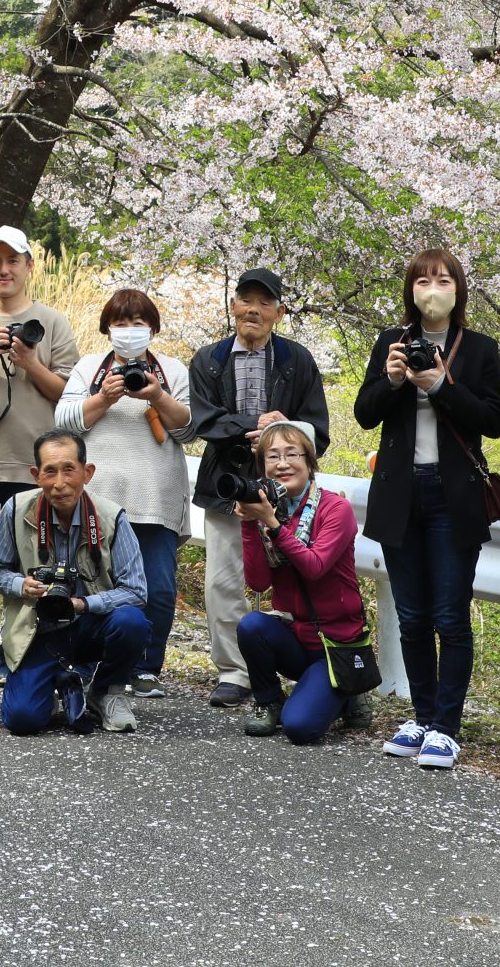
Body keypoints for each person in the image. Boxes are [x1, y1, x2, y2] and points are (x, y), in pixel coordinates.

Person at [356, 245, 500, 771]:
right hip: (401, 493)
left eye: (443, 280)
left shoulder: (480, 349)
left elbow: (493, 421)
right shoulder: (391, 342)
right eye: (422, 282)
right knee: (413, 615)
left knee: (450, 614)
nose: (433, 290)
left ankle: (446, 727)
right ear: (410, 292)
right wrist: (394, 380)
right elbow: (364, 414)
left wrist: (442, 384)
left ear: (458, 289)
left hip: (453, 496)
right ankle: (420, 717)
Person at [186, 267, 328, 709]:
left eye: (265, 302)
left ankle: (298, 663)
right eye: (245, 300)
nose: (253, 309)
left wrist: (278, 435)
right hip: (225, 483)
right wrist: (253, 424)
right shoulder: (208, 359)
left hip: (285, 485)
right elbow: (202, 421)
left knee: (291, 576)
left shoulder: (297, 360)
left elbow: (318, 429)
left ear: (279, 312)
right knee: (224, 579)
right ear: (232, 307)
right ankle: (233, 670)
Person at [52, 288, 193, 697]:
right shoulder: (90, 368)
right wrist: (103, 397)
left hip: (156, 495)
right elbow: (64, 420)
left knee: (160, 587)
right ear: (106, 328)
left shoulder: (170, 370)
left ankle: (147, 666)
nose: (129, 331)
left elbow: (188, 428)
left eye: (138, 323)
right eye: (120, 323)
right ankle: (95, 660)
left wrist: (156, 396)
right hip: (99, 499)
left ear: (152, 328)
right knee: (94, 581)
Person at [0, 429, 150, 734]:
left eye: (69, 470)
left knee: (132, 621)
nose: (59, 483)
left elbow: (136, 590)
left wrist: (84, 603)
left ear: (87, 473)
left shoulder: (111, 517)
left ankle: (105, 692)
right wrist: (21, 585)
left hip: (92, 623)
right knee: (22, 720)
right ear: (36, 475)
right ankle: (54, 685)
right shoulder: (16, 510)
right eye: (50, 471)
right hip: (39, 628)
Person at [234, 422, 369, 746]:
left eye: (292, 454)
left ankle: (349, 691)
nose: (282, 463)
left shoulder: (335, 508)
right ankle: (269, 700)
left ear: (309, 462)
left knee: (300, 728)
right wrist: (250, 526)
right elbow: (258, 582)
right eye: (273, 456)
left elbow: (315, 567)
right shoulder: (272, 509)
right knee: (252, 625)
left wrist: (272, 523)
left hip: (335, 644)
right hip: (296, 638)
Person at [0, 226, 80, 537]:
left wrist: (30, 364)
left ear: (29, 265)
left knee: (34, 561)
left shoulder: (53, 322)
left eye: (13, 261)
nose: (4, 270)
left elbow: (68, 395)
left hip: (35, 464)